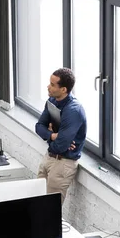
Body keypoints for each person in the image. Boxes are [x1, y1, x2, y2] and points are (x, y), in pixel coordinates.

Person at [35, 67, 87, 204]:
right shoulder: (51, 101)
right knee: (36, 202)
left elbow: (61, 146)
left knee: (50, 209)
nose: (48, 87)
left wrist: (56, 138)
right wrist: (53, 136)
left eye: (52, 85)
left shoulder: (73, 110)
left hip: (63, 163)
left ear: (63, 89)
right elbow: (38, 127)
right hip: (49, 157)